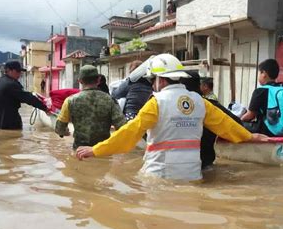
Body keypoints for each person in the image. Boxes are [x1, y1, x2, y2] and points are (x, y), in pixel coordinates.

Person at [76, 54, 268, 181]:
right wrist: (250, 136)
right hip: (193, 175)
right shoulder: (200, 102)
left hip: (159, 175)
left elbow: (129, 134)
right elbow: (226, 125)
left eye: (153, 80)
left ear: (160, 80)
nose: (152, 85)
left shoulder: (156, 102)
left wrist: (96, 150)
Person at [181, 70, 242, 169]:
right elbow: (237, 123)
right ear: (199, 86)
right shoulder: (209, 105)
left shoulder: (171, 108)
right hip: (206, 163)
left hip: (180, 165)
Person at [55, 65, 126, 149]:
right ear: (98, 80)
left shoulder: (70, 101)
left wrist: (65, 132)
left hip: (80, 151)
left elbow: (59, 128)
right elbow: (122, 127)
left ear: (80, 81)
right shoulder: (110, 100)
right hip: (102, 150)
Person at [0, 61, 48, 130]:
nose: (20, 74)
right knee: (15, 139)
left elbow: (12, 98)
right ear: (10, 71)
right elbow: (28, 98)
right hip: (9, 123)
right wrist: (45, 108)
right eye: (18, 71)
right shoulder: (11, 84)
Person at [241, 59, 282, 136]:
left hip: (266, 130)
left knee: (240, 125)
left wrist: (238, 121)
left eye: (259, 73)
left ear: (264, 73)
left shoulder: (260, 91)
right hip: (281, 128)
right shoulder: (281, 89)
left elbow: (250, 115)